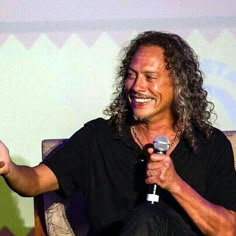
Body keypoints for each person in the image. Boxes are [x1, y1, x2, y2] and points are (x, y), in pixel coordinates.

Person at [0, 31, 236, 236]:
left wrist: (175, 184)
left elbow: (228, 229)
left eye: (149, 77)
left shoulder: (209, 144)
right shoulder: (99, 137)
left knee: (148, 216)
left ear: (179, 85)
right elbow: (34, 182)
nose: (136, 86)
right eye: (131, 75)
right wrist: (9, 168)